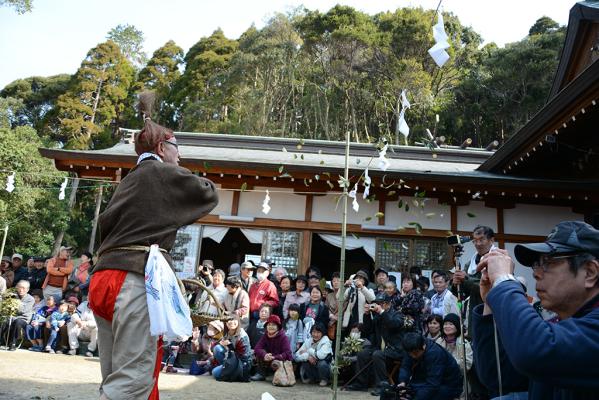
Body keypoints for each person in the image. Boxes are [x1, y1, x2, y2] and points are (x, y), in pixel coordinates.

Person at [88, 93, 218, 400]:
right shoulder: (162, 171)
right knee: (133, 379)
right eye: (177, 151)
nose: (180, 158)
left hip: (103, 279)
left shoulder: (128, 180)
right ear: (162, 148)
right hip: (132, 281)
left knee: (116, 372)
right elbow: (207, 193)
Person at [476, 221, 599, 400]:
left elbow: (535, 351)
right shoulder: (556, 326)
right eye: (536, 264)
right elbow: (499, 377)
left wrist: (504, 280)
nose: (535, 273)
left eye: (547, 262)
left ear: (589, 272)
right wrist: (490, 302)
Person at [452, 225, 496, 339]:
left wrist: (466, 279)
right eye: (475, 241)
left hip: (494, 312)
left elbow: (493, 287)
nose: (478, 244)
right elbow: (462, 294)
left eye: (481, 239)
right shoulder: (470, 263)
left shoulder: (499, 259)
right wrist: (456, 283)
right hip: (474, 312)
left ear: (492, 240)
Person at [364, 293, 407, 396]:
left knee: (377, 354)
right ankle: (361, 383)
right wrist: (366, 315)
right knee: (363, 354)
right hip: (381, 347)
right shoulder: (378, 315)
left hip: (396, 349)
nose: (380, 306)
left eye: (382, 303)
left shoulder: (398, 314)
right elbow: (368, 330)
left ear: (389, 304)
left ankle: (383, 386)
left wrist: (382, 312)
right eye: (378, 303)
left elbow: (393, 324)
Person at [398, 332, 463, 400]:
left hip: (448, 384)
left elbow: (433, 384)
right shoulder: (411, 347)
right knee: (405, 393)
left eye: (415, 353)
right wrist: (403, 382)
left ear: (423, 346)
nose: (413, 356)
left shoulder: (434, 353)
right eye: (410, 354)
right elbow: (405, 366)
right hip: (425, 380)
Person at [435, 313, 472, 399]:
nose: (447, 326)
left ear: (457, 326)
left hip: (459, 381)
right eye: (445, 324)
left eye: (451, 324)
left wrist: (448, 366)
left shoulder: (464, 343)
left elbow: (467, 364)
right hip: (441, 381)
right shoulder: (439, 341)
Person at [250, 314, 293, 381]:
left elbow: (287, 353)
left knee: (275, 362)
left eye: (273, 325)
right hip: (269, 358)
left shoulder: (283, 337)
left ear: (278, 327)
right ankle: (261, 374)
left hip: (280, 360)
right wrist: (264, 355)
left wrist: (275, 357)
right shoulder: (266, 335)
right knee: (259, 354)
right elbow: (257, 348)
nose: (270, 327)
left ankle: (277, 375)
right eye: (269, 325)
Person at [212, 315, 252, 382]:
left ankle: (226, 370)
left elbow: (244, 357)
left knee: (214, 372)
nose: (231, 322)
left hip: (241, 364)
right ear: (226, 323)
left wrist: (229, 346)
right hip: (231, 360)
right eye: (229, 320)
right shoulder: (227, 333)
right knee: (217, 348)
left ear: (238, 322)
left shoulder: (242, 336)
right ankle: (225, 367)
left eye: (234, 320)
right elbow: (216, 347)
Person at [294, 323, 333, 387]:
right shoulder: (308, 341)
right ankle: (312, 379)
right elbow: (296, 356)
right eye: (314, 332)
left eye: (318, 332)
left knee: (322, 363)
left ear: (322, 333)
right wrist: (308, 357)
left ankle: (324, 379)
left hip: (326, 368)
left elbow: (320, 356)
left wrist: (308, 350)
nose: (315, 335)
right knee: (305, 361)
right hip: (314, 366)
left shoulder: (326, 341)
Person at [3, 280, 34, 351]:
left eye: (23, 288)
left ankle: (12, 344)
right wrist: (7, 298)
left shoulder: (30, 299)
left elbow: (23, 310)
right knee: (4, 320)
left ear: (27, 289)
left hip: (23, 319)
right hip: (11, 317)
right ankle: (2, 341)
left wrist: (15, 302)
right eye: (19, 287)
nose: (21, 289)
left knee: (17, 322)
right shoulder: (13, 295)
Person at [325, 272, 341, 340]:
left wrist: (337, 316)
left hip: (341, 322)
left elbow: (344, 308)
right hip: (330, 322)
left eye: (338, 280)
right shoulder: (329, 295)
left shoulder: (345, 294)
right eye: (334, 281)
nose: (336, 282)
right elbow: (326, 308)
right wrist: (331, 315)